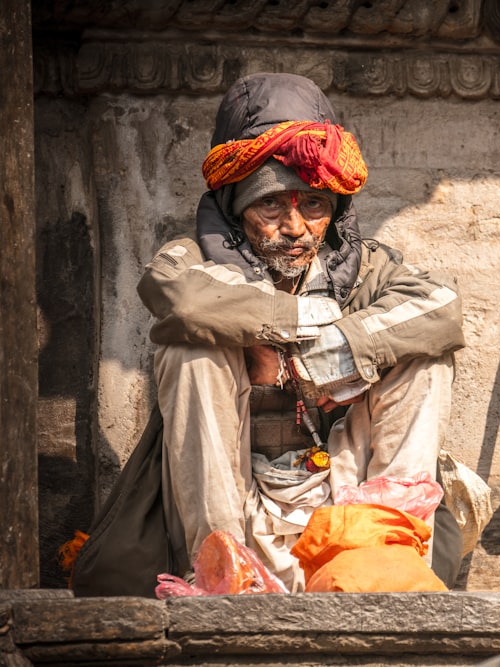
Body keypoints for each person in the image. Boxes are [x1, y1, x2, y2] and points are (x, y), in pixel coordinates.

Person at [136, 72, 466, 592]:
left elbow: (442, 309)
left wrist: (324, 357)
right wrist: (285, 327)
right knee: (190, 349)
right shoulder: (189, 261)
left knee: (423, 354)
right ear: (236, 206)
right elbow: (179, 299)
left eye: (313, 205)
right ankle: (222, 570)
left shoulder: (365, 268)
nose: (295, 227)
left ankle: (385, 555)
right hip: (238, 507)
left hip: (341, 507)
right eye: (271, 204)